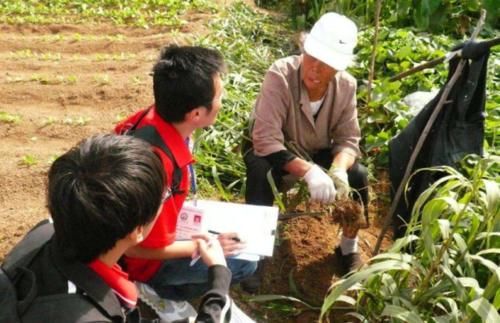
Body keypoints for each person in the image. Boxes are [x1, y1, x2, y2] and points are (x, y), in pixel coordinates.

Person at [1, 134, 237, 323]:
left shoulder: (44, 232)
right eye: (163, 198)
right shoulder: (84, 315)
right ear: (136, 231)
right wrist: (219, 278)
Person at [115, 45, 257, 317]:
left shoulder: (150, 119)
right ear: (195, 114)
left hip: (150, 232)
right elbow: (133, 245)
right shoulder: (159, 168)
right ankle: (158, 291)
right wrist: (201, 247)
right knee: (246, 263)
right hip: (140, 261)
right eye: (218, 96)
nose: (222, 100)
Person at [243, 12, 369, 279]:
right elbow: (265, 138)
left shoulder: (346, 86)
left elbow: (348, 140)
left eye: (326, 64)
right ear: (303, 49)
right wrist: (310, 172)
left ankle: (348, 247)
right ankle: (254, 251)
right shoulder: (280, 74)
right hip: (279, 147)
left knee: (359, 175)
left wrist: (338, 169)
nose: (315, 69)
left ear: (339, 67)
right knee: (258, 170)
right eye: (311, 58)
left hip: (318, 148)